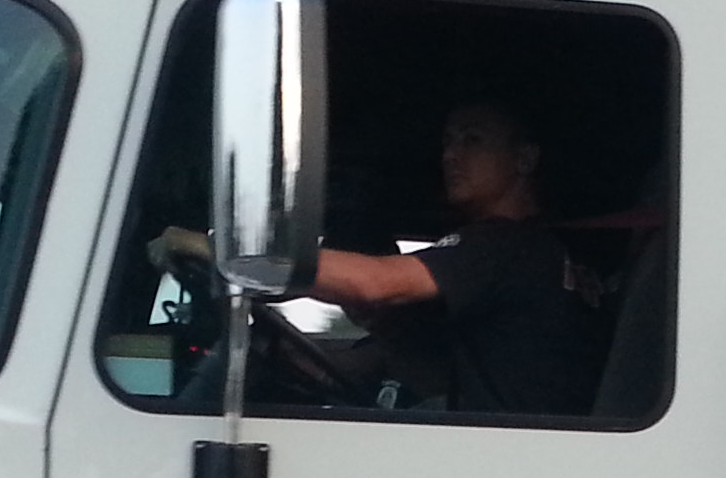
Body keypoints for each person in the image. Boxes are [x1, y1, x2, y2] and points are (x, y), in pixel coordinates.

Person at [161, 97, 611, 415]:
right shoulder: (540, 255)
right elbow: (433, 374)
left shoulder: (504, 245)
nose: (451, 155)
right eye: (448, 141)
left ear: (525, 159)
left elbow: (375, 282)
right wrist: (295, 352)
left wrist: (226, 251)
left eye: (472, 140)